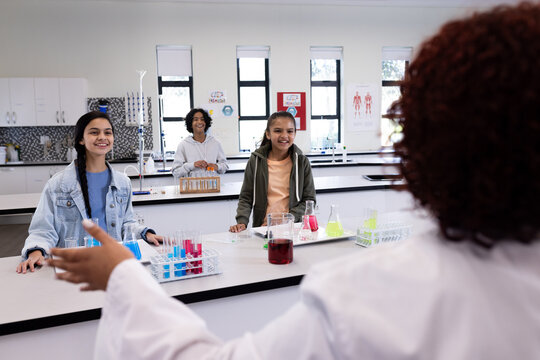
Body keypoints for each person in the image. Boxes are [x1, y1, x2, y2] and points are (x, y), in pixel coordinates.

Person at [50, 3, 540, 358]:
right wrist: (243, 219)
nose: (284, 136)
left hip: (287, 234)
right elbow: (241, 192)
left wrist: (123, 278)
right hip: (263, 230)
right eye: (95, 132)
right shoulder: (247, 161)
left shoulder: (370, 295)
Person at [17, 111, 163, 274]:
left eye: (108, 132)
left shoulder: (123, 183)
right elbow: (42, 230)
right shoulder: (58, 185)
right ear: (81, 139)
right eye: (94, 132)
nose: (102, 137)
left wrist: (145, 233)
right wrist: (36, 251)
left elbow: (126, 223)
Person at [229, 111, 316, 232]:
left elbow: (309, 200)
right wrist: (242, 222)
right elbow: (246, 197)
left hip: (294, 229)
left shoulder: (302, 162)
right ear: (268, 134)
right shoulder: (256, 161)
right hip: (263, 229)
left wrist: (288, 218)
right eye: (278, 130)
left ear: (295, 134)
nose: (284, 135)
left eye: (290, 131)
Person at [171, 108, 228, 178]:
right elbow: (176, 172)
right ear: (190, 124)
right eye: (195, 119)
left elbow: (225, 166)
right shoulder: (183, 145)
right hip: (191, 188)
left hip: (212, 187)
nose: (199, 122)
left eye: (202, 119)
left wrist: (216, 166)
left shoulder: (215, 143)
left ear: (206, 123)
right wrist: (193, 165)